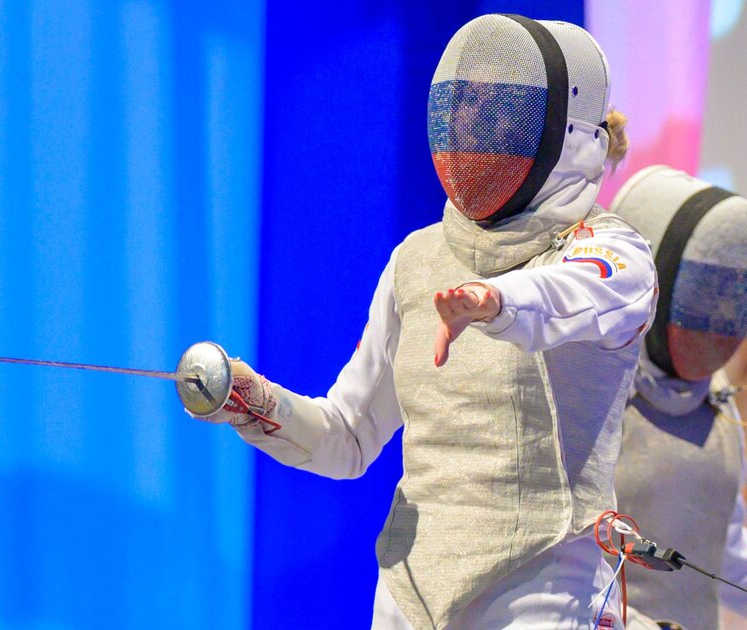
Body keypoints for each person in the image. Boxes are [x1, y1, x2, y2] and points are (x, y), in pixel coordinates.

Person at [196, 15, 656, 628]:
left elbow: (574, 289)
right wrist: (254, 404)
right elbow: (347, 435)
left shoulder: (612, 252)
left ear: (560, 133)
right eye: (462, 108)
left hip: (547, 588)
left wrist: (497, 301)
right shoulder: (416, 261)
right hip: (408, 590)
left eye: (497, 112)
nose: (471, 128)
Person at [603, 166, 747, 630]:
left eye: (733, 293)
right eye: (706, 289)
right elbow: (550, 560)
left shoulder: (717, 403)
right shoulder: (594, 395)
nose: (720, 314)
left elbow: (721, 548)